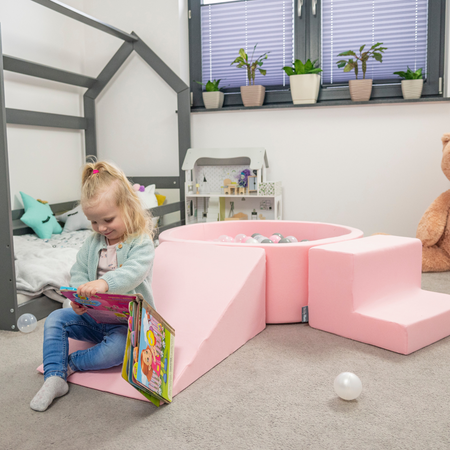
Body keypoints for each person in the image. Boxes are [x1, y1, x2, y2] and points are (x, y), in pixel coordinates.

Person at [30, 160, 155, 412]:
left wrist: (103, 283)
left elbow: (134, 273)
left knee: (117, 352)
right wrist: (75, 298)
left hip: (126, 324)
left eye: (108, 219)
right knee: (55, 318)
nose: (102, 228)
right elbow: (77, 272)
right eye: (94, 222)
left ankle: (69, 364)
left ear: (129, 207)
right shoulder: (92, 242)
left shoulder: (140, 241)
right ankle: (54, 377)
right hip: (92, 317)